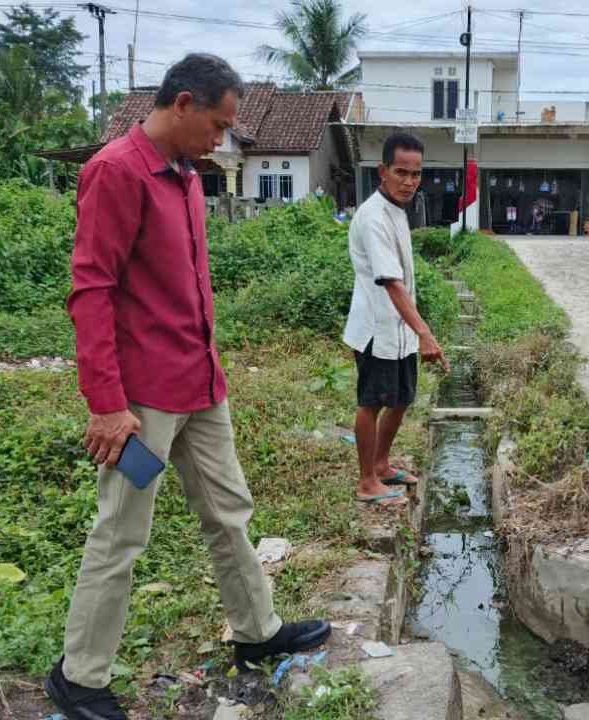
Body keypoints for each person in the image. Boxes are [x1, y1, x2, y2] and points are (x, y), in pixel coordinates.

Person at [46, 54, 330, 720]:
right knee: (121, 533)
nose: (222, 140)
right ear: (182, 103)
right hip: (142, 399)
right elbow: (91, 291)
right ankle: (80, 676)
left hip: (200, 383)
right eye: (218, 124)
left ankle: (256, 634)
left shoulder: (184, 177)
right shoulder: (117, 171)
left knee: (229, 514)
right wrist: (107, 405)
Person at [343, 133, 450, 506]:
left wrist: (416, 330)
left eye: (415, 174)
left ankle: (383, 464)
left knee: (401, 398)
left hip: (399, 327)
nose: (408, 181)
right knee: (371, 401)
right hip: (376, 328)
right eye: (401, 172)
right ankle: (366, 480)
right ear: (382, 171)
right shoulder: (373, 217)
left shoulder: (398, 211)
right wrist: (425, 332)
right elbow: (390, 282)